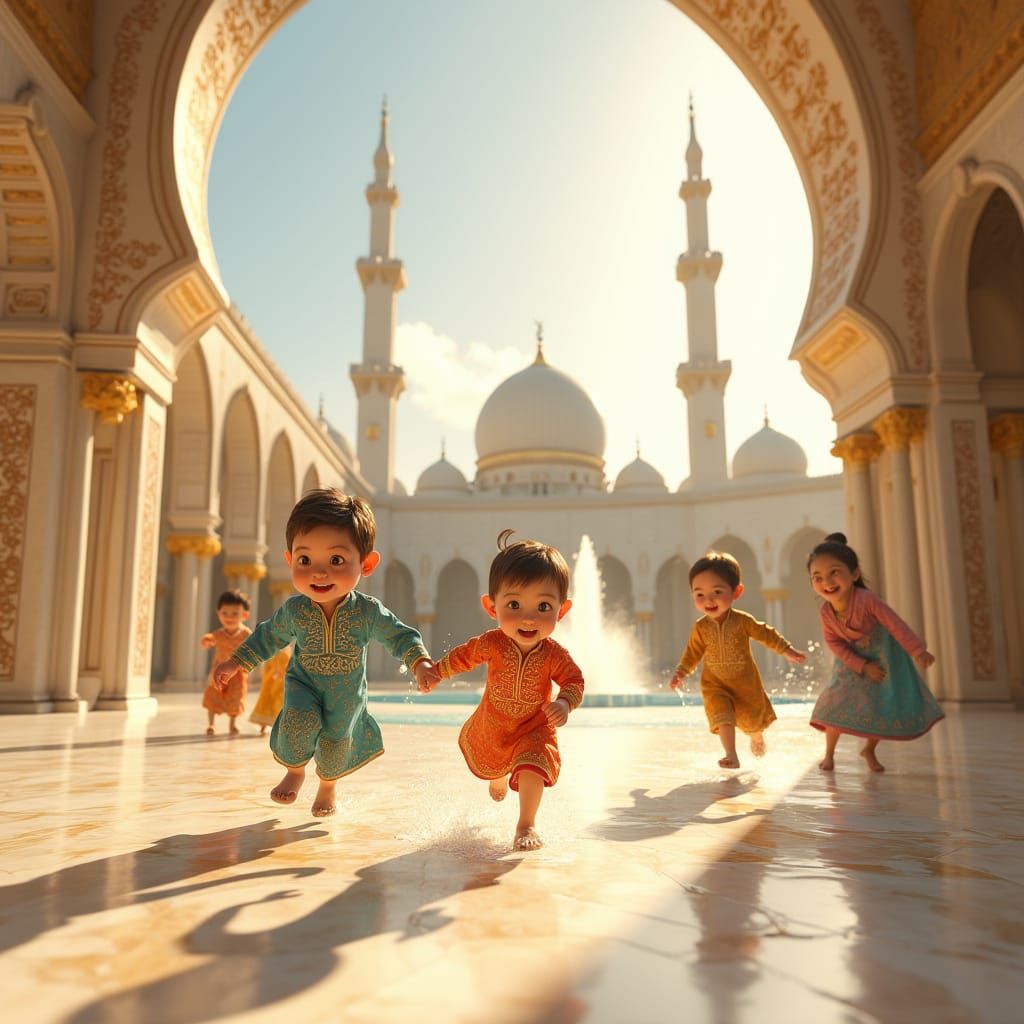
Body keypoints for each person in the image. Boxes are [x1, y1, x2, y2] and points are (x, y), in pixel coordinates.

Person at [215, 489, 436, 817]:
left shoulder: (366, 612)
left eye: (336, 560)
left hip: (346, 694)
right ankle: (295, 770)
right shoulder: (295, 610)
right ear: (290, 560)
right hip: (304, 683)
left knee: (336, 742)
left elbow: (397, 635)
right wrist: (236, 662)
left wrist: (419, 661)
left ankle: (328, 787)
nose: (319, 572)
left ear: (367, 563)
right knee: (298, 722)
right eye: (305, 560)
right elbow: (268, 636)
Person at [422, 529, 584, 851]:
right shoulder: (492, 643)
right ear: (491, 606)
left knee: (533, 763)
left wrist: (565, 703)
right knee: (495, 762)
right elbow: (464, 656)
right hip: (495, 724)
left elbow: (574, 681)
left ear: (561, 611)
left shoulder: (554, 654)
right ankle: (498, 775)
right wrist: (437, 671)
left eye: (542, 607)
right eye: (513, 604)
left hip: (534, 728)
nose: (528, 618)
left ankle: (526, 824)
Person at [807, 532, 943, 772]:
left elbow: (894, 623)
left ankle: (868, 749)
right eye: (817, 577)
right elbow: (835, 644)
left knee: (879, 703)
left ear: (855, 574)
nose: (826, 581)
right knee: (835, 703)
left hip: (882, 656)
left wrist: (917, 649)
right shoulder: (825, 613)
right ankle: (829, 755)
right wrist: (860, 665)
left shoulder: (868, 600)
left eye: (834, 572)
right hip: (850, 661)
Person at [670, 551, 806, 769]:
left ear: (737, 591)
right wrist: (681, 673)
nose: (709, 600)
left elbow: (765, 634)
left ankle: (756, 736)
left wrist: (786, 650)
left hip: (745, 684)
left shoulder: (742, 621)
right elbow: (692, 652)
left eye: (717, 591)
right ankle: (731, 754)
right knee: (722, 716)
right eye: (700, 594)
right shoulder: (701, 628)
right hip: (715, 684)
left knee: (752, 723)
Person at [200, 589, 252, 736]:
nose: (229, 617)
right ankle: (211, 723)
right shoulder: (219, 634)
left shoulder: (246, 634)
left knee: (236, 697)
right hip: (219, 672)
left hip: (237, 673)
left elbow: (254, 646)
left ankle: (233, 723)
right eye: (225, 613)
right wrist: (206, 640)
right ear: (218, 613)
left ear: (244, 615)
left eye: (235, 614)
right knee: (213, 696)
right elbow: (211, 638)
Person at [249, 644, 290, 735]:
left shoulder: (283, 652)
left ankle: (275, 725)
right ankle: (265, 725)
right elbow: (268, 666)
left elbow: (285, 666)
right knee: (269, 700)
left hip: (278, 680)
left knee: (275, 701)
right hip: (271, 679)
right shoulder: (275, 651)